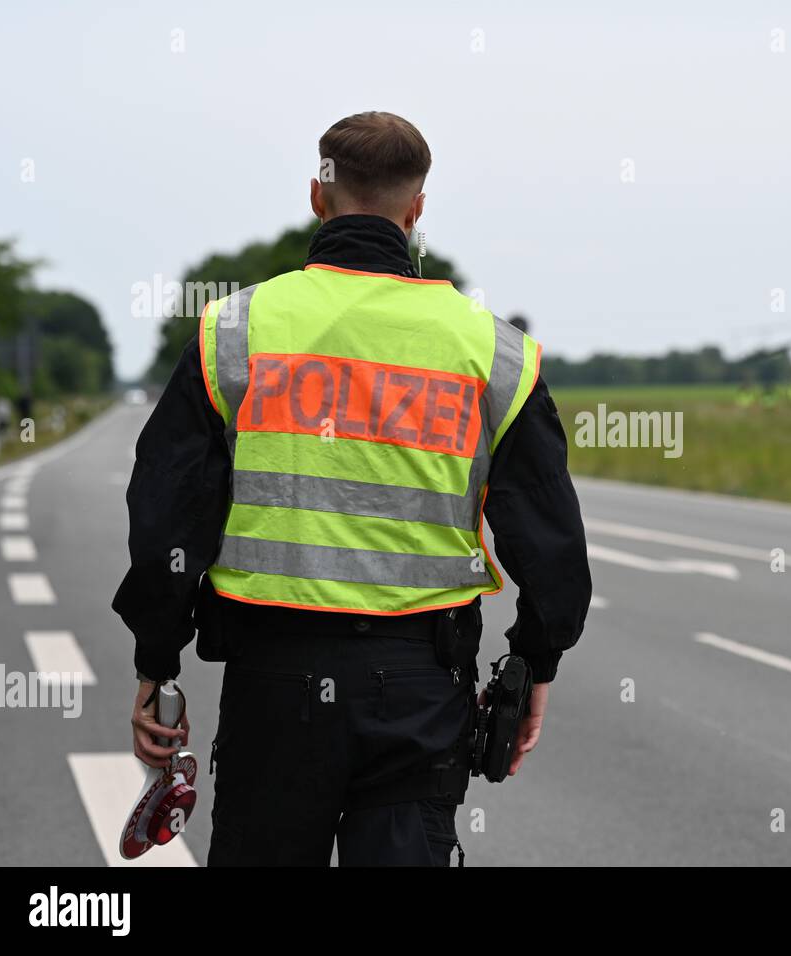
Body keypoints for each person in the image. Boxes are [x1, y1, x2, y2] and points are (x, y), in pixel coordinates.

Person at [113, 111, 592, 866]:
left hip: (275, 681)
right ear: (417, 208)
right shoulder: (494, 351)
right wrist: (538, 659)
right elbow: (551, 540)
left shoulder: (233, 331)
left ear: (317, 194)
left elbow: (168, 518)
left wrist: (157, 659)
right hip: (421, 688)